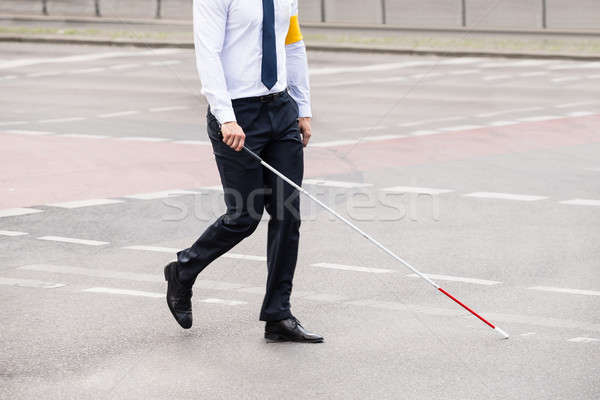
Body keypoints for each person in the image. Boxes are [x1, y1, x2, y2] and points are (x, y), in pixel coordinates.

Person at [163, 0, 323, 343]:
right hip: (238, 113)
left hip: (281, 110)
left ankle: (278, 315)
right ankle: (183, 270)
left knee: (287, 213)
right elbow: (207, 52)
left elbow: (292, 44)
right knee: (244, 216)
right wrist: (225, 116)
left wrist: (303, 108)